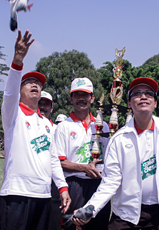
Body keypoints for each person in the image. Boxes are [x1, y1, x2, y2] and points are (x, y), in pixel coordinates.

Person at [73, 77, 159, 230]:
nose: (143, 97)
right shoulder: (118, 139)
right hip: (126, 213)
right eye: (137, 94)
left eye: (149, 94)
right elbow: (110, 181)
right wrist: (90, 208)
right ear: (129, 103)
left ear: (156, 102)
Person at [0, 30, 71, 230]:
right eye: (29, 82)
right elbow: (9, 93)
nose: (35, 85)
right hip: (16, 195)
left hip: (43, 195)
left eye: (38, 83)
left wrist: (63, 187)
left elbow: (54, 158)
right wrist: (18, 61)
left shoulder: (48, 124)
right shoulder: (13, 115)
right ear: (20, 90)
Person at [54, 77, 111, 230]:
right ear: (71, 98)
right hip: (75, 185)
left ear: (92, 98)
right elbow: (59, 162)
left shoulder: (103, 125)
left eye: (85, 95)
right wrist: (84, 168)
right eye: (77, 94)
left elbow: (109, 158)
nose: (81, 98)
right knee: (74, 226)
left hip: (99, 185)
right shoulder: (64, 126)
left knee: (99, 226)